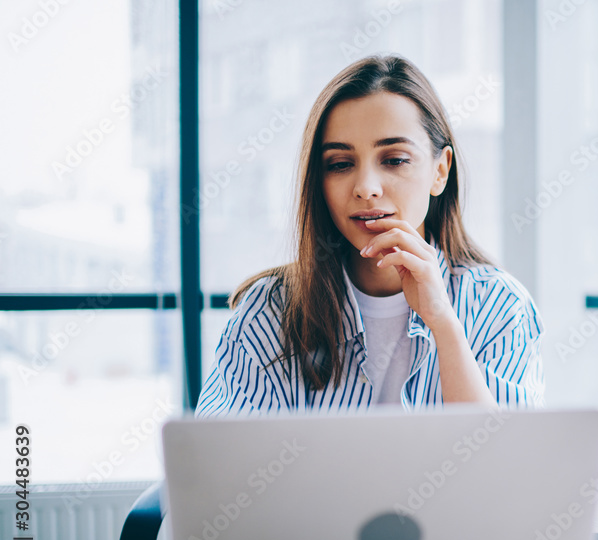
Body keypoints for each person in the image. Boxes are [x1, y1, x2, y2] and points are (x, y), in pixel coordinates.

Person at [194, 55, 544, 416]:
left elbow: (504, 462)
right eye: (340, 164)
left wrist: (443, 322)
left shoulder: (500, 307)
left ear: (440, 171)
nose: (365, 188)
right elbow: (221, 466)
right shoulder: (269, 311)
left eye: (393, 160)